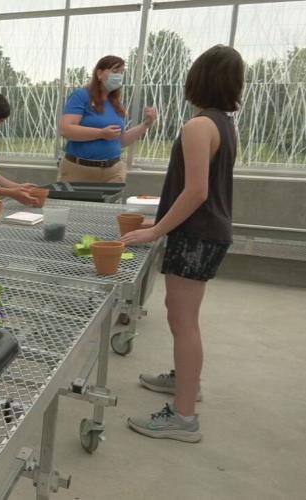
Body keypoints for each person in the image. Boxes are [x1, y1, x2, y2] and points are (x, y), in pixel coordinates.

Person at [122, 45, 245, 443]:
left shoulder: (198, 127)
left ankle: (184, 415)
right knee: (181, 314)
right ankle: (184, 382)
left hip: (197, 235)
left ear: (198, 80)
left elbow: (195, 191)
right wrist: (159, 223)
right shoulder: (223, 124)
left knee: (183, 321)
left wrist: (156, 231)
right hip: (207, 232)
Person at [57, 55, 157, 183]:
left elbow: (120, 140)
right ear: (99, 73)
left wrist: (145, 124)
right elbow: (66, 130)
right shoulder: (81, 96)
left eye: (121, 72)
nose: (119, 76)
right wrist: (101, 133)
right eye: (115, 71)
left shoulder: (115, 104)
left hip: (113, 172)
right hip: (79, 171)